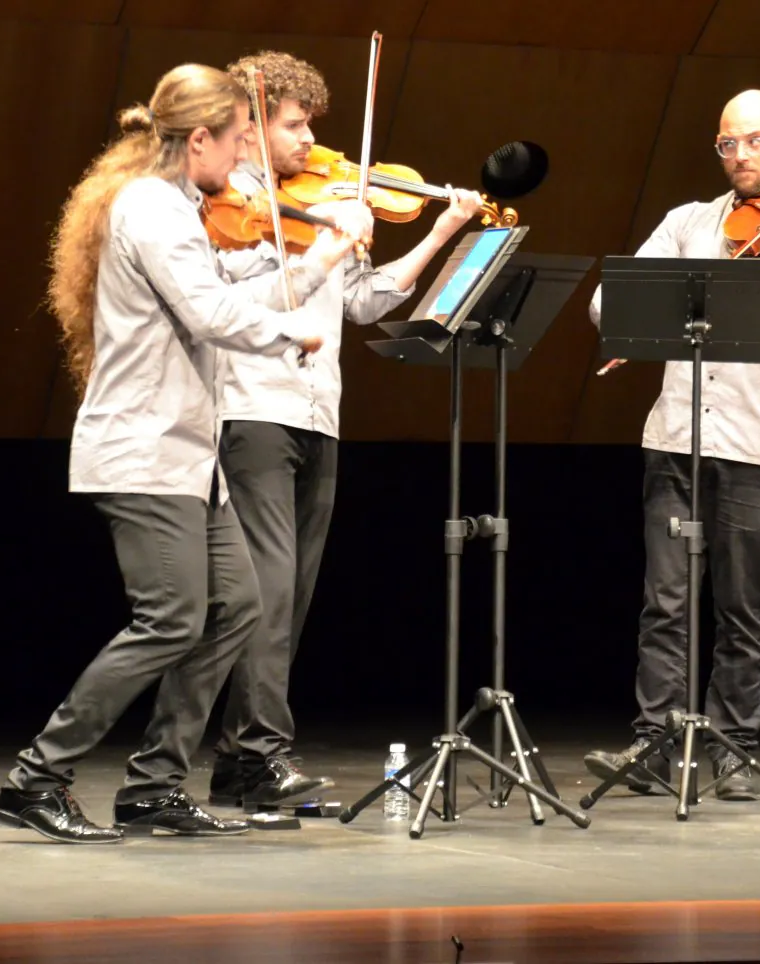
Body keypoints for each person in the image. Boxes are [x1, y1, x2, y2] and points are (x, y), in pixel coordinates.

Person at [0, 63, 348, 844]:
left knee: (237, 609)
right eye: (236, 140)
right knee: (170, 618)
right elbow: (209, 311)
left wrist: (310, 275)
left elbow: (228, 300)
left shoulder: (186, 207)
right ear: (199, 141)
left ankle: (154, 785)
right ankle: (36, 777)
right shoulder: (151, 208)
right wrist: (295, 329)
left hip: (191, 456)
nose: (242, 158)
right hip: (142, 448)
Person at [205, 50, 484, 810]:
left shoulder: (320, 196)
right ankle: (262, 757)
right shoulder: (229, 200)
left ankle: (240, 763)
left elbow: (363, 300)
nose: (309, 143)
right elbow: (240, 300)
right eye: (294, 126)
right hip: (253, 407)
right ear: (253, 125)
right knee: (265, 594)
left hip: (319, 412)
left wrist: (441, 233)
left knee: (290, 599)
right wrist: (322, 237)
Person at [583, 89, 760, 799]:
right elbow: (604, 300)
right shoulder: (688, 222)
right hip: (676, 436)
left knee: (740, 609)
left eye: (753, 142)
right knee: (666, 602)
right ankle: (654, 743)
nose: (739, 156)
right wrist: (650, 317)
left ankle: (735, 749)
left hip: (756, 443)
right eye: (727, 144)